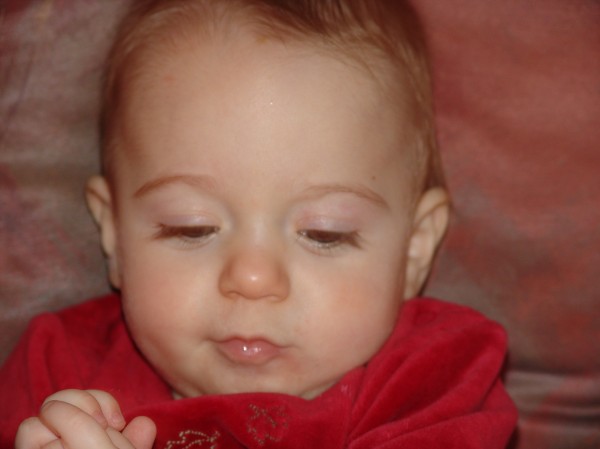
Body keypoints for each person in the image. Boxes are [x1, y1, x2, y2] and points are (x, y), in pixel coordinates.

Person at [0, 0, 517, 447]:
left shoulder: (436, 382)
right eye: (191, 227)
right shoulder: (57, 379)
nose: (251, 278)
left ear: (414, 247)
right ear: (114, 232)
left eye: (324, 233)